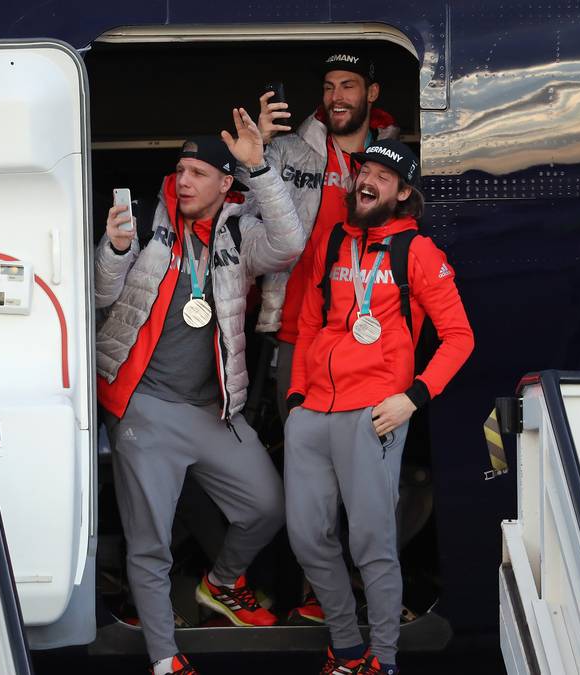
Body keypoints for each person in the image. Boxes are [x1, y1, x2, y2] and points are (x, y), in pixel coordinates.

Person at [94, 108, 303, 675]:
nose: (183, 181)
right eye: (180, 170)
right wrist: (114, 251)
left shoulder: (237, 232)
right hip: (144, 406)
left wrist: (260, 168)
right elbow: (100, 295)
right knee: (150, 544)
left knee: (269, 506)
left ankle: (220, 583)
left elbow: (290, 243)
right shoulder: (148, 219)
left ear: (225, 183)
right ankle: (165, 659)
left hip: (214, 410)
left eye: (197, 173)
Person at [284, 140, 475, 675]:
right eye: (363, 171)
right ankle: (346, 648)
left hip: (373, 415)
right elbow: (309, 325)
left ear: (403, 193)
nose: (366, 181)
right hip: (312, 415)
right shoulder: (332, 241)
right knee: (307, 538)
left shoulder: (418, 252)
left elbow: (460, 337)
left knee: (371, 544)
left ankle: (383, 660)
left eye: (381, 177)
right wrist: (297, 399)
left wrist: (413, 397)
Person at [253, 49, 402, 626]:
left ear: (371, 92)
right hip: (298, 331)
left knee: (367, 481)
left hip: (371, 343)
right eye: (329, 86)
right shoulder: (290, 149)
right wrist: (256, 152)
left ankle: (373, 599)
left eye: (349, 85)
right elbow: (244, 206)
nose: (337, 96)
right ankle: (317, 595)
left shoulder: (390, 156)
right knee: (308, 477)